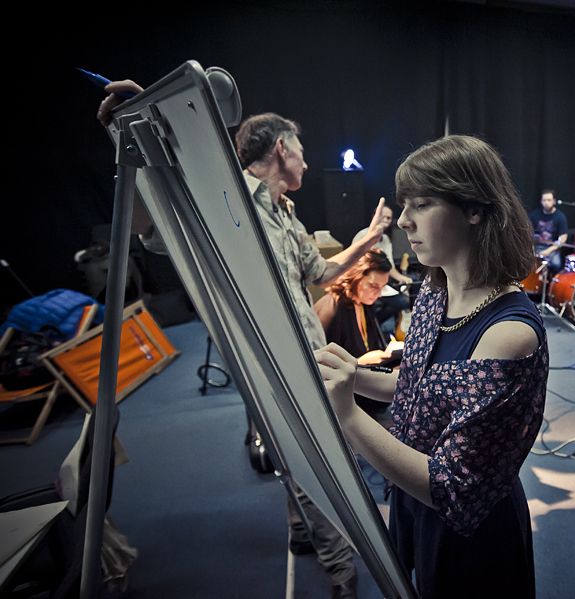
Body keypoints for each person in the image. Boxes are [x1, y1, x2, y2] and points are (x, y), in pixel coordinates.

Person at [99, 81, 391, 598]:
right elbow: (154, 230)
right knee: (320, 462)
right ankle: (342, 573)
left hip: (304, 356)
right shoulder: (225, 197)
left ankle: (301, 531)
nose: (307, 162)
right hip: (269, 364)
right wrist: (129, 142)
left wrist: (366, 239)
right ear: (281, 148)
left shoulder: (285, 211)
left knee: (293, 454)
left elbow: (321, 272)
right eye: (301, 151)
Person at [315, 135, 549, 598]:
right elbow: (416, 385)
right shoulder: (434, 291)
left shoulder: (508, 334)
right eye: (405, 205)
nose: (404, 220)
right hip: (413, 501)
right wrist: (352, 376)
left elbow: (453, 488)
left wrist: (347, 415)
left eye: (421, 204)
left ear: (474, 210)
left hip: (471, 541)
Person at [314, 249, 393, 419]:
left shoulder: (362, 303)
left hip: (364, 395)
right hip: (345, 405)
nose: (378, 294)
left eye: (382, 288)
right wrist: (361, 362)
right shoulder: (332, 310)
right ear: (355, 276)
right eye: (373, 286)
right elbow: (321, 369)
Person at [351, 205, 413, 337]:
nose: (385, 220)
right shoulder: (363, 236)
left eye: (388, 218)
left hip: (381, 284)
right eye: (382, 216)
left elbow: (389, 266)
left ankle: (378, 325)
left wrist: (402, 277)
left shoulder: (385, 239)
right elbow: (354, 263)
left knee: (403, 301)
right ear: (374, 216)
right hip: (365, 283)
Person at [528, 189, 568, 274]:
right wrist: (532, 250)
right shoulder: (534, 215)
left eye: (549, 200)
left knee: (556, 264)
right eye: (544, 200)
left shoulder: (560, 217)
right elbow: (528, 233)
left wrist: (548, 251)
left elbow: (563, 238)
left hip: (552, 248)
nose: (546, 202)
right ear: (541, 201)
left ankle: (551, 281)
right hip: (536, 247)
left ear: (554, 201)